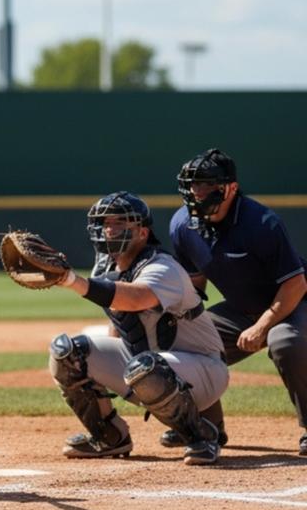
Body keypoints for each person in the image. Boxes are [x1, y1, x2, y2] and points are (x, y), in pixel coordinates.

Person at [48, 191, 229, 465]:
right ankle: (109, 437)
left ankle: (201, 436)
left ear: (143, 232)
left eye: (120, 223)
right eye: (105, 223)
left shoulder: (162, 267)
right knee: (68, 352)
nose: (110, 229)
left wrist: (71, 280)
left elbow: (135, 298)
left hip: (204, 370)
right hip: (150, 365)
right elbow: (120, 321)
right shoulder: (106, 267)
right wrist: (101, 366)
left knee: (145, 367)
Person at [168, 147, 307, 456]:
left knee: (285, 342)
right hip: (241, 310)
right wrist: (173, 318)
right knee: (180, 341)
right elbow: (194, 285)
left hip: (294, 302)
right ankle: (203, 426)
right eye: (193, 184)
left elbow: (296, 284)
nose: (197, 192)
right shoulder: (182, 225)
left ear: (230, 187)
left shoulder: (261, 222)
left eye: (206, 184)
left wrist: (261, 327)